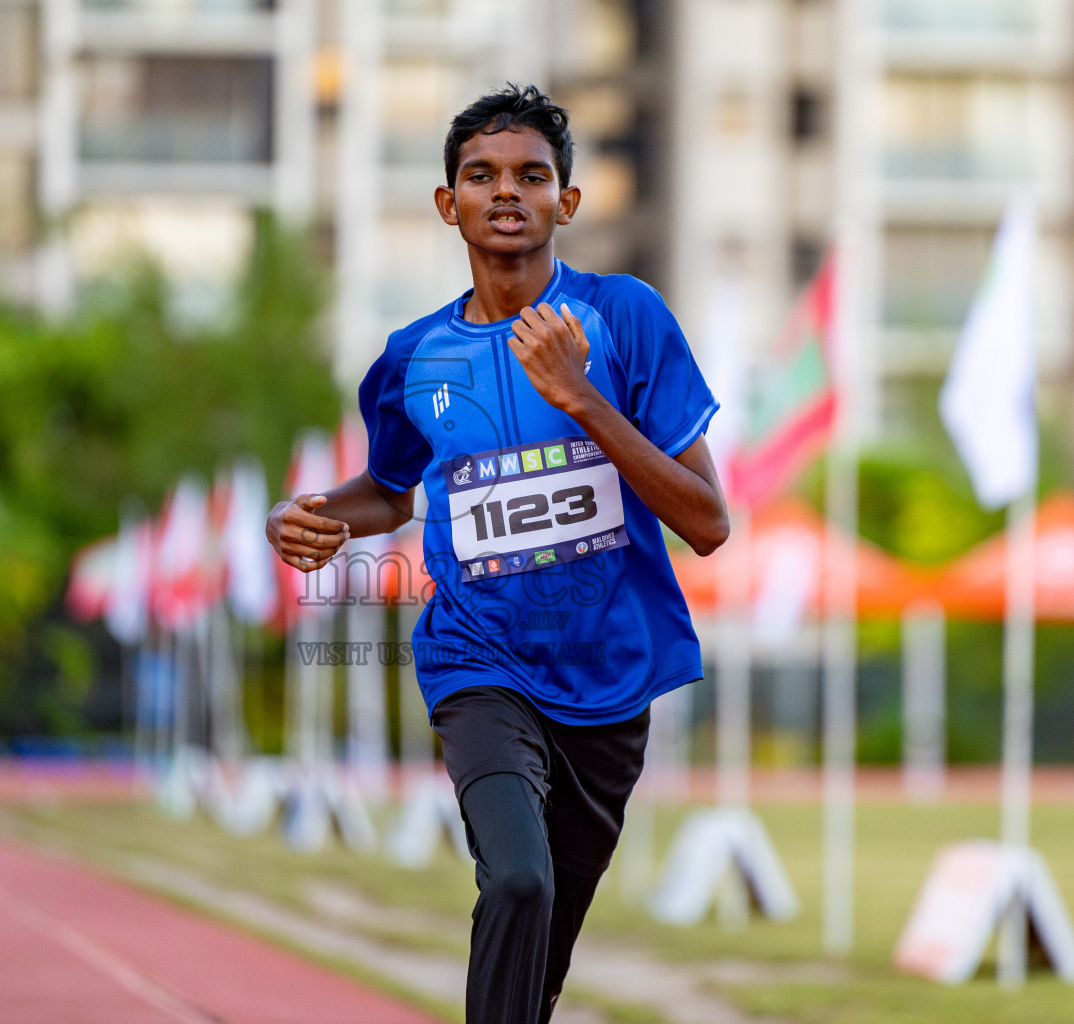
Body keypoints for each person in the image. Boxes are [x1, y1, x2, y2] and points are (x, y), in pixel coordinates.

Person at [266, 84, 729, 1024]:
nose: (506, 192)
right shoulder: (411, 360)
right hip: (477, 663)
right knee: (517, 883)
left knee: (540, 961)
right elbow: (390, 491)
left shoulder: (625, 320)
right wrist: (310, 512)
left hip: (610, 679)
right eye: (481, 175)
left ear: (567, 202)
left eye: (532, 175)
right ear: (450, 204)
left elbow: (709, 522)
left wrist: (583, 399)